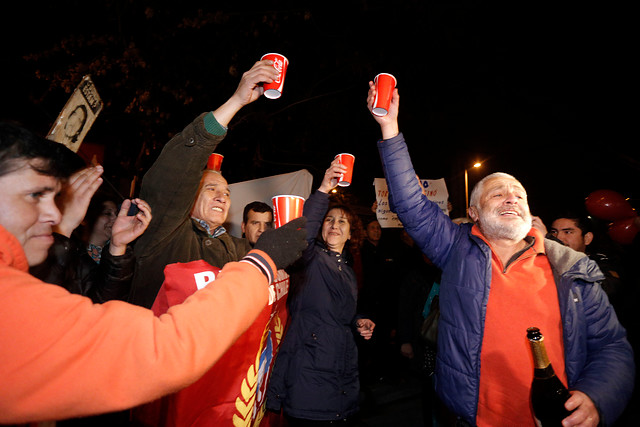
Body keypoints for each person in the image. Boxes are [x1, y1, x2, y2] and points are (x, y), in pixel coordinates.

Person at [0, 121, 307, 424]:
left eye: (52, 197)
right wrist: (261, 264)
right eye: (34, 196)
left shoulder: (234, 247)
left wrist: (108, 246)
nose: (53, 213)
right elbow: (162, 350)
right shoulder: (171, 236)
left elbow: (94, 306)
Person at [366, 83, 634, 427]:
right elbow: (410, 204)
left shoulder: (572, 269)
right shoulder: (457, 249)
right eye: (497, 194)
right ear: (474, 213)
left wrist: (597, 397)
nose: (510, 198)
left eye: (518, 195)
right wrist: (390, 128)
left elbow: (612, 347)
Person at [129, 59, 281, 308]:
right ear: (189, 196)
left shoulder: (240, 250)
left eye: (227, 193)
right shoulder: (165, 233)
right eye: (211, 189)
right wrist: (236, 101)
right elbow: (175, 170)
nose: (223, 197)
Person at [132, 200, 290, 426]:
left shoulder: (280, 265)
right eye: (255, 223)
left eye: (267, 224)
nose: (262, 230)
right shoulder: (211, 249)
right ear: (244, 226)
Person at [266, 159, 375, 426]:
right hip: (309, 372)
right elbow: (304, 231)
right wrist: (324, 189)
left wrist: (359, 320)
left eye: (342, 222)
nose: (334, 224)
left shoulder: (347, 270)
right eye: (329, 219)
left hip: (342, 371)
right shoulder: (311, 258)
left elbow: (339, 313)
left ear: (351, 234)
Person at [30, 165, 152, 303]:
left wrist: (117, 246)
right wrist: (63, 228)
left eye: (115, 214)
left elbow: (103, 305)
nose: (114, 219)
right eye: (107, 213)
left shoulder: (98, 259)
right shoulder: (66, 252)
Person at [546, 211, 626, 309]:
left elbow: (605, 291)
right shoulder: (542, 262)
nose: (558, 237)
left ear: (587, 238)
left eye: (568, 232)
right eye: (554, 232)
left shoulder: (602, 263)